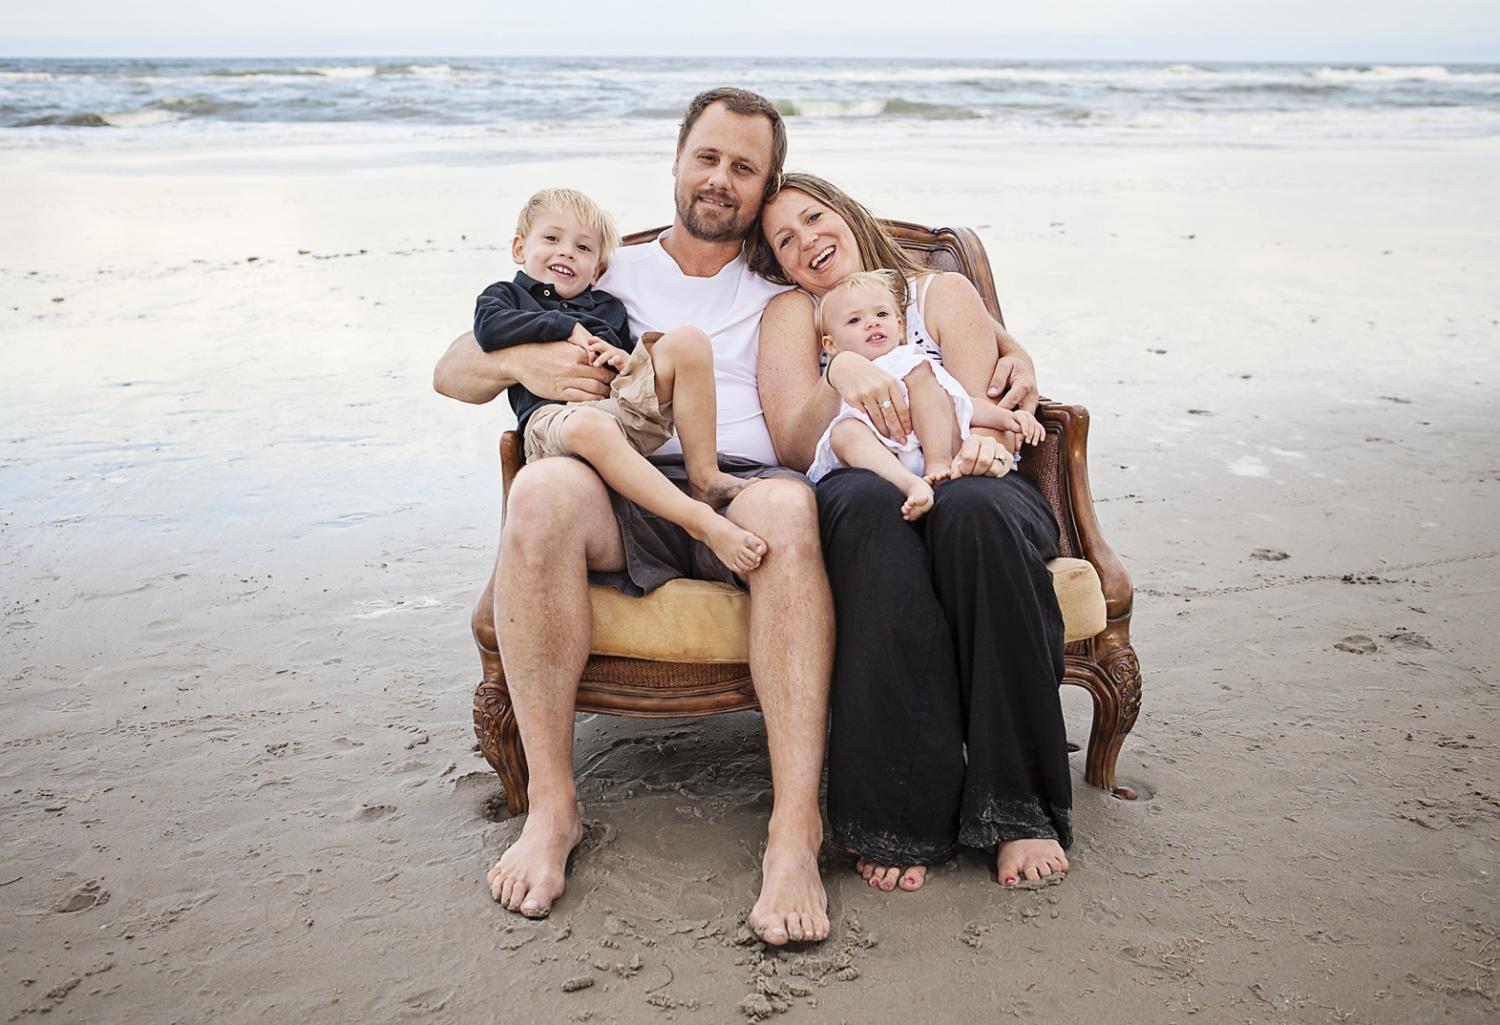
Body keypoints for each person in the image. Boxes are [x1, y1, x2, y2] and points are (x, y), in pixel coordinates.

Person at [433, 89, 833, 944]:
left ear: (766, 187)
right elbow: (451, 373)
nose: (721, 179)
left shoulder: (778, 289)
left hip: (740, 482)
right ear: (678, 159)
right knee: (539, 492)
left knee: (793, 512)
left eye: (744, 167)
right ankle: (553, 808)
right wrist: (530, 357)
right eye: (709, 157)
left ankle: (794, 831)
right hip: (618, 489)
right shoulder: (610, 267)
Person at [750, 172, 1072, 894]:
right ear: (779, 263)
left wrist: (968, 458)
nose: (808, 241)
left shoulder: (940, 294)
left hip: (972, 470)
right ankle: (899, 810)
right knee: (867, 511)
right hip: (859, 476)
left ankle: (1016, 805)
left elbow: (975, 407)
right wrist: (844, 373)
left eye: (813, 218)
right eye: (785, 240)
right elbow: (795, 447)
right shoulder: (795, 316)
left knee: (974, 511)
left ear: (845, 212)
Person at [475, 186, 767, 574]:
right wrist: (564, 326)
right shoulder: (506, 296)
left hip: (616, 412)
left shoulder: (607, 306)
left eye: (583, 248)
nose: (566, 252)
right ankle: (700, 522)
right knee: (589, 424)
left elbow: (626, 368)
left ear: (597, 269)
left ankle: (705, 476)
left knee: (688, 341)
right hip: (555, 424)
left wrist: (622, 360)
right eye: (551, 238)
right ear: (518, 249)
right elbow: (489, 329)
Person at [807, 269, 1045, 521]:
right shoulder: (844, 378)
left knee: (925, 381)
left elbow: (960, 402)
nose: (872, 322)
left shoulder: (911, 359)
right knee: (842, 433)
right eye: (854, 320)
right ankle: (910, 484)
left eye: (882, 314)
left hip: (928, 447)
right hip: (881, 465)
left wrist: (1008, 419)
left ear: (900, 327)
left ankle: (938, 463)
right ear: (831, 345)